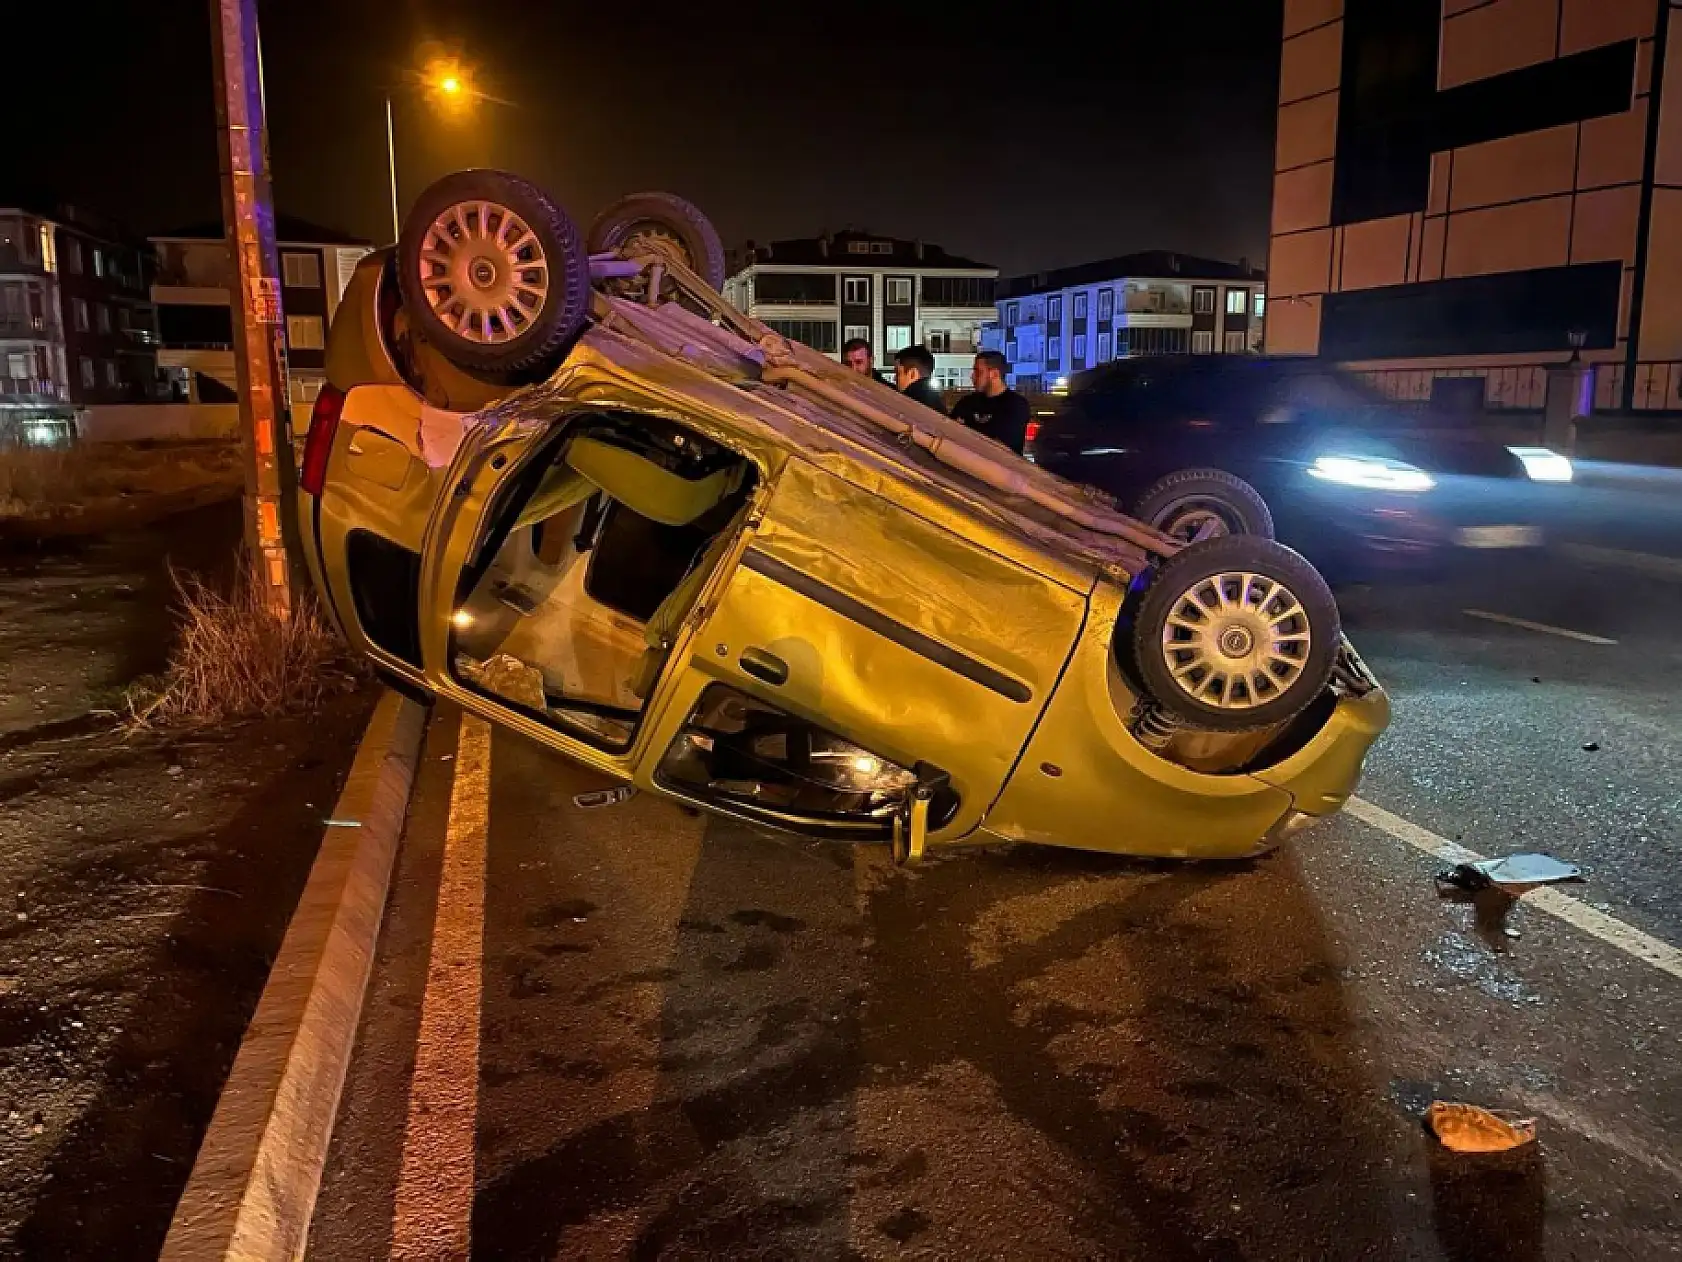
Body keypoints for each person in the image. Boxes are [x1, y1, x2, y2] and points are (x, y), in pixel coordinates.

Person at [951, 350, 1032, 454]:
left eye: (978, 372)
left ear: (994, 374)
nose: (972, 376)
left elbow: (1002, 447)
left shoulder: (1016, 405)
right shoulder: (966, 402)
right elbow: (950, 431)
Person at [893, 344, 946, 414]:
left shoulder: (906, 405)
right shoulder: (939, 405)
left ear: (912, 374)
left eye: (898, 373)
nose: (894, 379)